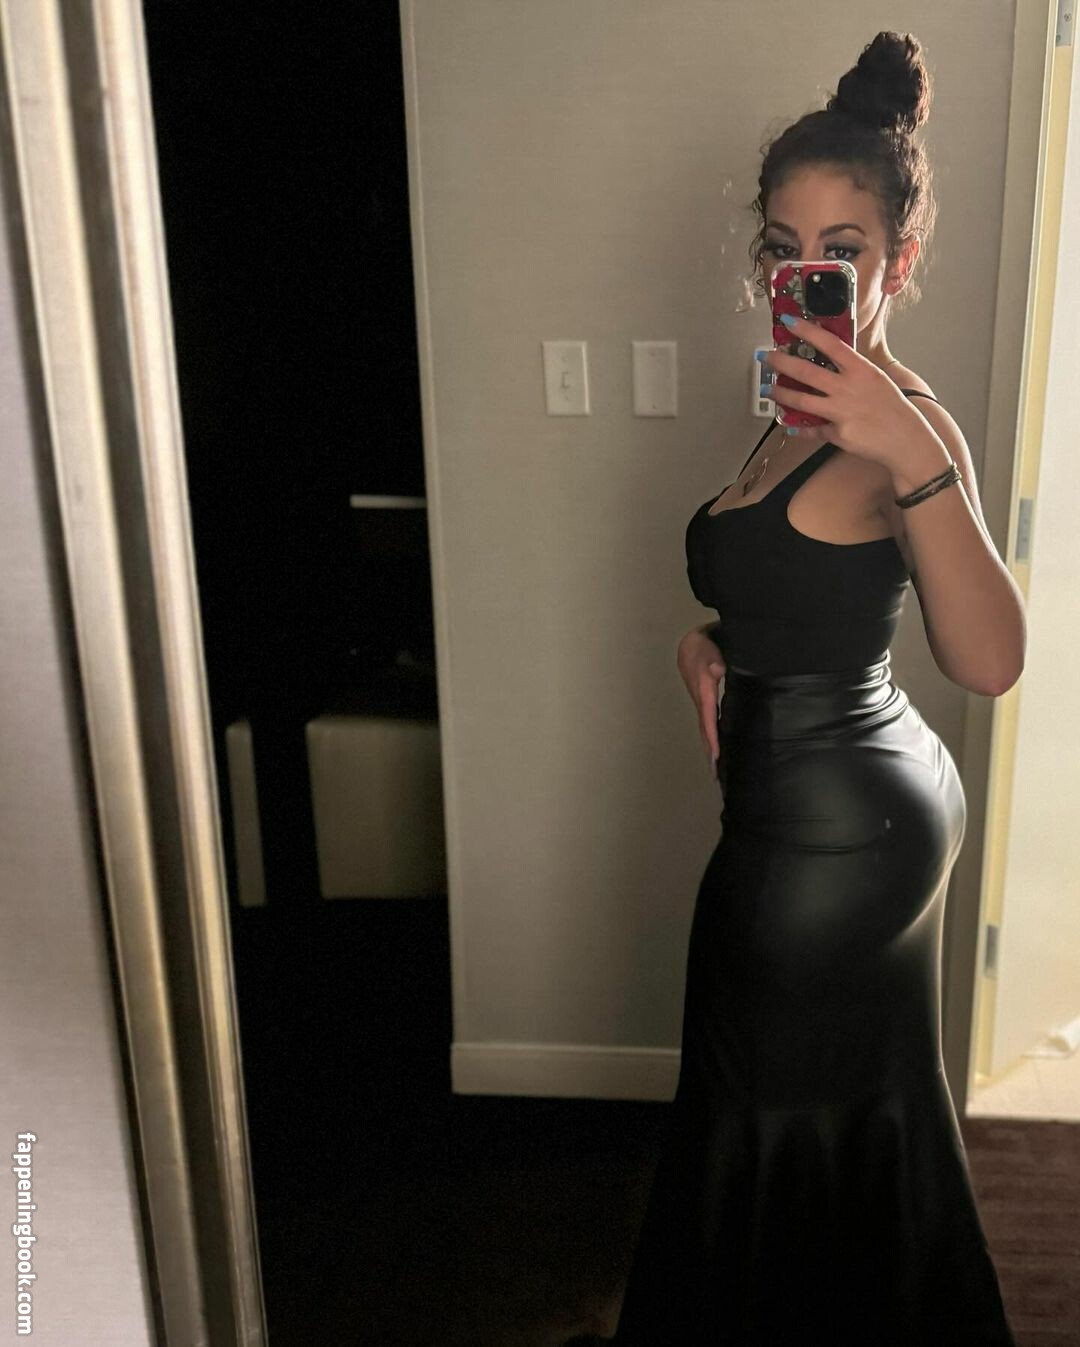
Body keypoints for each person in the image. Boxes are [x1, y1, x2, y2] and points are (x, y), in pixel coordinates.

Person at [609, 31, 1024, 1346]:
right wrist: (711, 640)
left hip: (836, 836)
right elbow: (801, 581)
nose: (807, 274)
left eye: (842, 251)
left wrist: (910, 447)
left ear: (899, 261)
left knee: (764, 1108)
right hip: (824, 796)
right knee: (838, 1105)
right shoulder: (795, 403)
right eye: (785, 248)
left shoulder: (903, 424)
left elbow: (991, 659)